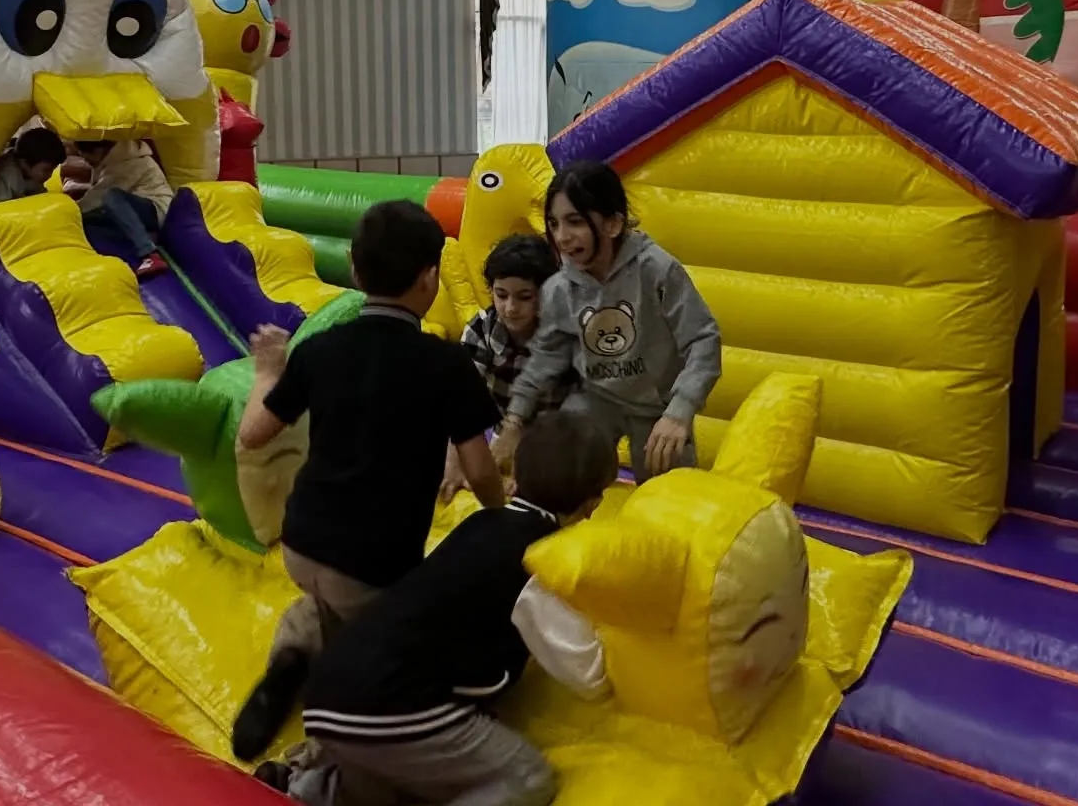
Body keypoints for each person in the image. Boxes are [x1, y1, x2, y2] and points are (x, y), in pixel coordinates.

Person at [232, 199, 507, 761]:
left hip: (302, 544)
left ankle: (291, 656)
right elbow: (479, 467)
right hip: (372, 568)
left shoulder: (321, 349)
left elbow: (253, 435)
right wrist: (501, 517)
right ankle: (319, 751)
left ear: (356, 270)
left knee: (329, 605)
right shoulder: (445, 363)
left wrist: (267, 372)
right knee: (401, 655)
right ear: (429, 278)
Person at [254, 411, 616, 806]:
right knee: (528, 777)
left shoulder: (481, 523)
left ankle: (305, 788)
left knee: (395, 781)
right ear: (591, 504)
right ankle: (317, 785)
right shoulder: (540, 558)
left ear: (517, 475)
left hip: (331, 694)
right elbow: (589, 676)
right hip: (389, 708)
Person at [493, 160, 721, 485]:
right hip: (597, 399)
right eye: (554, 224)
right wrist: (514, 421)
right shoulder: (560, 289)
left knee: (667, 493)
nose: (562, 237)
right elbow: (545, 358)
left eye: (574, 222)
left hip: (657, 406)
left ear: (613, 224)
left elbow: (703, 340)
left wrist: (679, 411)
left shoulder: (656, 270)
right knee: (560, 456)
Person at [442, 233, 570, 499]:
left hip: (555, 436)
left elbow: (562, 414)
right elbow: (459, 402)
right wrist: (454, 462)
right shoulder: (482, 329)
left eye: (524, 297)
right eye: (501, 295)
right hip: (504, 435)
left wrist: (527, 457)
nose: (511, 308)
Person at [71, 138, 174, 278]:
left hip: (157, 210)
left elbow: (96, 197)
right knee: (89, 220)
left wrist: (67, 211)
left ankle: (149, 253)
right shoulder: (110, 162)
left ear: (100, 150)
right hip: (132, 211)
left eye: (86, 154)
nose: (84, 159)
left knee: (111, 197)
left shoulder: (130, 163)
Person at [0, 127, 65, 204]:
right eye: (46, 170)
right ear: (24, 163)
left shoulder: (29, 170)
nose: (50, 175)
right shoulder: (4, 179)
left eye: (53, 169)